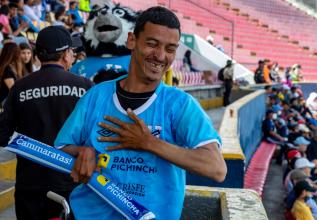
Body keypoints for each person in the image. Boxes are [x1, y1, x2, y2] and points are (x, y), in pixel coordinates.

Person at [54, 7, 227, 219]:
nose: (161, 56)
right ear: (131, 41)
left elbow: (216, 168)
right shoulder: (97, 96)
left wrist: (149, 143)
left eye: (170, 49)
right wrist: (83, 151)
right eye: (152, 44)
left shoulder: (180, 105)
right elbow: (61, 147)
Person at [0, 26, 93, 220]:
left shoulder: (20, 87)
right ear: (65, 54)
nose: (73, 56)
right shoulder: (85, 86)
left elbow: (0, 136)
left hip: (30, 186)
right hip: (71, 185)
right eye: (72, 52)